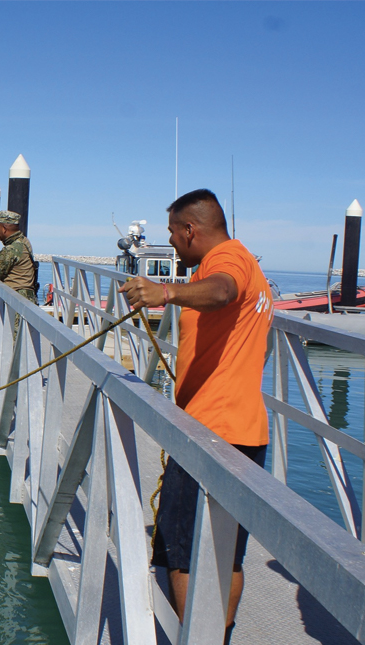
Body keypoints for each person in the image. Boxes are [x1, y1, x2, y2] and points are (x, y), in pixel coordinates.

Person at [118, 189, 274, 640]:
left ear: (190, 230)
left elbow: (222, 292)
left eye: (172, 233)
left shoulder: (228, 260)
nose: (171, 242)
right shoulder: (244, 264)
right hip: (245, 428)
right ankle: (218, 636)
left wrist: (165, 292)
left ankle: (193, 637)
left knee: (180, 551)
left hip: (212, 431)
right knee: (227, 554)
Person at [0, 210, 38, 304]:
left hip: (16, 299)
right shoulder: (24, 242)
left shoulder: (11, 249)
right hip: (28, 298)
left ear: (4, 229)